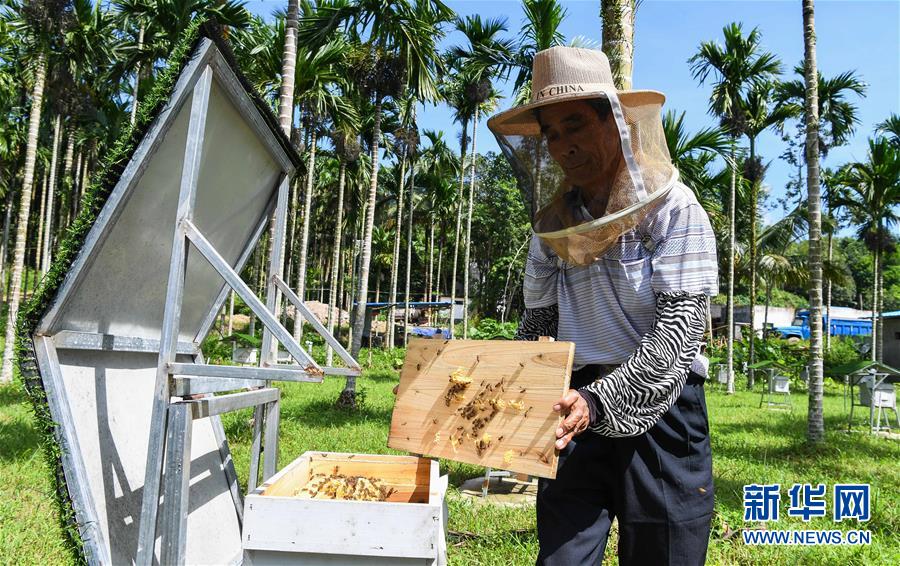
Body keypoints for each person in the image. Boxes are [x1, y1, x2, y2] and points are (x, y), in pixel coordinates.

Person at [487, 46, 719, 565]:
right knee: (563, 557)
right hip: (570, 409)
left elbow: (679, 335)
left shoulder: (673, 210)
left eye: (575, 125)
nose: (564, 145)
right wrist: (502, 394)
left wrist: (598, 403)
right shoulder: (550, 228)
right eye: (552, 134)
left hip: (663, 412)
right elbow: (539, 324)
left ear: (615, 122)